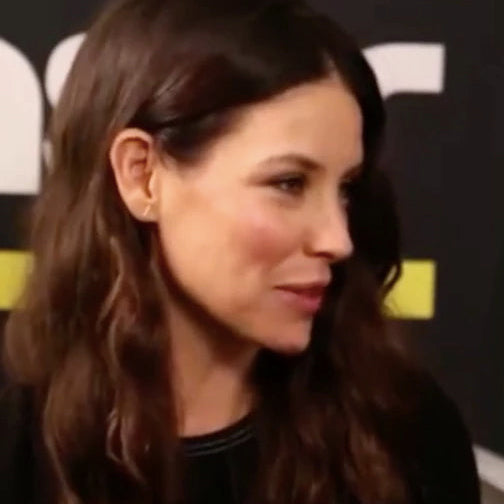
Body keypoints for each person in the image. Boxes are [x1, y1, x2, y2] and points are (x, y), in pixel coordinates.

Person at [0, 0, 480, 503]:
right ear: (142, 176)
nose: (338, 239)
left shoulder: (405, 435)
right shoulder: (15, 441)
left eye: (346, 189)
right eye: (289, 183)